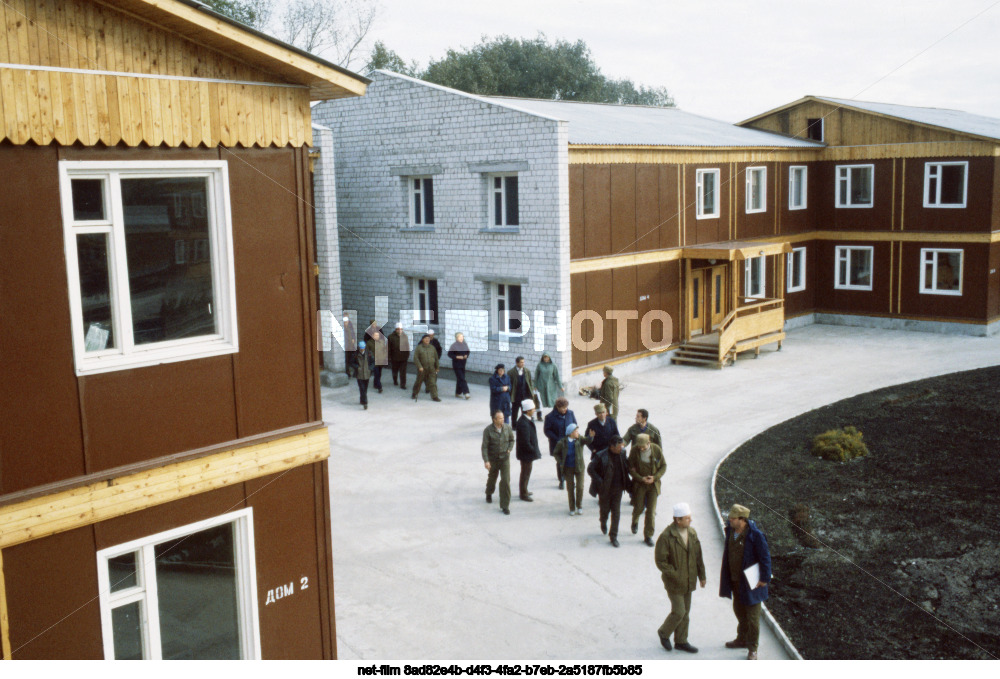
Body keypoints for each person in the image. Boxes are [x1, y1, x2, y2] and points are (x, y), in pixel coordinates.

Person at [719, 504, 772, 660]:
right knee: (739, 611)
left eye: (733, 519)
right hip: (736, 581)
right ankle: (741, 639)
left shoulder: (755, 535)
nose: (729, 521)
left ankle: (753, 648)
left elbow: (765, 558)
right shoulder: (731, 531)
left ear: (742, 520)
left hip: (752, 583)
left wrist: (764, 578)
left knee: (753, 618)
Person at [654, 502, 706, 654]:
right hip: (674, 582)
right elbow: (660, 561)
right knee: (679, 611)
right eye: (687, 518)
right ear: (678, 520)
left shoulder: (692, 533)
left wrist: (702, 576)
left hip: (689, 580)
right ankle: (664, 633)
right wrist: (675, 575)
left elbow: (698, 556)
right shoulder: (666, 537)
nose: (690, 520)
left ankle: (681, 641)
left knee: (686, 612)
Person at [586, 435, 631, 547]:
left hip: (618, 488)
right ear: (612, 447)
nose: (621, 448)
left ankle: (613, 536)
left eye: (622, 446)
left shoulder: (622, 453)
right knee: (605, 510)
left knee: (616, 512)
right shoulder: (601, 455)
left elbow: (626, 466)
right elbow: (590, 469)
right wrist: (599, 481)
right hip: (605, 489)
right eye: (619, 446)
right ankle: (603, 521)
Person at [627, 433, 666, 546]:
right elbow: (630, 467)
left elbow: (664, 466)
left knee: (651, 511)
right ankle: (635, 521)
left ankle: (648, 535)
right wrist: (640, 478)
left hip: (653, 485)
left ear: (649, 443)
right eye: (639, 447)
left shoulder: (656, 449)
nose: (641, 449)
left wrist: (655, 477)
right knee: (638, 507)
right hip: (640, 484)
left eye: (643, 447)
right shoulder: (634, 450)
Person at [552, 423, 591, 516]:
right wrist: (561, 462)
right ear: (570, 433)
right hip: (568, 468)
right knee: (570, 488)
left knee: (580, 487)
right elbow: (556, 453)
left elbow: (587, 441)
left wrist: (591, 436)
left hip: (579, 467)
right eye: (576, 431)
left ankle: (579, 506)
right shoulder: (562, 442)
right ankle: (572, 507)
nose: (577, 433)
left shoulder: (580, 439)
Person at [481, 410, 515, 515]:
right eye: (500, 418)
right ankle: (489, 492)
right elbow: (484, 447)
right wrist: (486, 461)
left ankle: (505, 505)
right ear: (494, 419)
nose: (502, 420)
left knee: (505, 481)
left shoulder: (507, 428)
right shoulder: (488, 430)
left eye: (503, 417)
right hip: (493, 459)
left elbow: (512, 440)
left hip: (505, 459)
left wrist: (509, 448)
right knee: (492, 478)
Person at [543, 397, 577, 489]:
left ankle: (570, 480)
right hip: (558, 444)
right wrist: (557, 439)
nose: (564, 409)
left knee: (570, 461)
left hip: (570, 442)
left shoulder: (570, 413)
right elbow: (547, 430)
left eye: (566, 407)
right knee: (561, 462)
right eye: (562, 408)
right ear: (557, 407)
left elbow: (575, 425)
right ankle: (561, 480)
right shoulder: (549, 417)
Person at [515, 399, 542, 501]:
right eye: (533, 409)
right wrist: (533, 450)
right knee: (525, 473)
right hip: (526, 454)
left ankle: (525, 490)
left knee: (527, 472)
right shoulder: (523, 423)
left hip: (528, 453)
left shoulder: (527, 419)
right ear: (527, 410)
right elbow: (525, 442)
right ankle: (523, 493)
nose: (534, 410)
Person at [411, 334, 441, 402]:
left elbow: (436, 358)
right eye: (425, 338)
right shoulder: (419, 348)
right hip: (422, 369)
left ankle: (434, 396)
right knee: (418, 382)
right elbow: (416, 358)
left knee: (433, 383)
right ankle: (414, 393)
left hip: (431, 369)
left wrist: (437, 367)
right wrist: (419, 367)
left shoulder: (432, 347)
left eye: (428, 338)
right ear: (422, 340)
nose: (427, 340)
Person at [349, 340, 374, 410]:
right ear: (359, 348)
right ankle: (365, 403)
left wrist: (370, 369)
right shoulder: (355, 355)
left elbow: (373, 362)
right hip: (359, 374)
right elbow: (351, 362)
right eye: (361, 348)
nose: (362, 349)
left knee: (365, 388)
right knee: (362, 388)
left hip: (367, 374)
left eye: (363, 348)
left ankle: (362, 399)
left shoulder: (369, 354)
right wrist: (357, 367)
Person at [509, 356, 535, 422]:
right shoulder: (511, 372)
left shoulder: (527, 371)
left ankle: (525, 424)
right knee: (515, 411)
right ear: (517, 363)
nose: (523, 364)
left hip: (525, 395)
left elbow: (530, 382)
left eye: (523, 362)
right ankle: (514, 425)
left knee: (525, 411)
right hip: (516, 395)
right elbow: (510, 384)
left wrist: (532, 392)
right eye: (521, 362)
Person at [448, 332, 471, 399]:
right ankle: (466, 392)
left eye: (462, 337)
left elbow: (468, 351)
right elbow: (449, 354)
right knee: (462, 378)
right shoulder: (454, 346)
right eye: (460, 337)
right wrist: (457, 357)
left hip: (463, 364)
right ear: (456, 338)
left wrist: (466, 355)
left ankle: (458, 393)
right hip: (456, 364)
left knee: (460, 378)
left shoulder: (464, 344)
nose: (461, 338)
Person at [388, 323, 410, 389]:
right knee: (395, 371)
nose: (399, 330)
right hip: (394, 358)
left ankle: (403, 384)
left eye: (401, 329)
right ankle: (395, 380)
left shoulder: (405, 336)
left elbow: (407, 347)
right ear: (395, 330)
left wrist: (407, 355)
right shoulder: (391, 337)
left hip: (403, 358)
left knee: (403, 372)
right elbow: (388, 348)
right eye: (398, 329)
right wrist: (389, 357)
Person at [367, 328, 388, 393]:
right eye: (375, 335)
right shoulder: (369, 343)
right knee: (377, 374)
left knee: (379, 374)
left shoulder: (381, 341)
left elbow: (384, 350)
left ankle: (375, 384)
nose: (377, 336)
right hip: (374, 361)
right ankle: (379, 387)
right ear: (372, 336)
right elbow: (367, 352)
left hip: (381, 361)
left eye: (378, 335)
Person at [424, 329, 443, 394]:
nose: (430, 337)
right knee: (426, 375)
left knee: (434, 375)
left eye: (432, 335)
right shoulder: (423, 341)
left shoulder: (435, 342)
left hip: (434, 362)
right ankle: (427, 387)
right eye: (429, 335)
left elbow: (439, 350)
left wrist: (437, 358)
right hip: (425, 362)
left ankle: (433, 387)